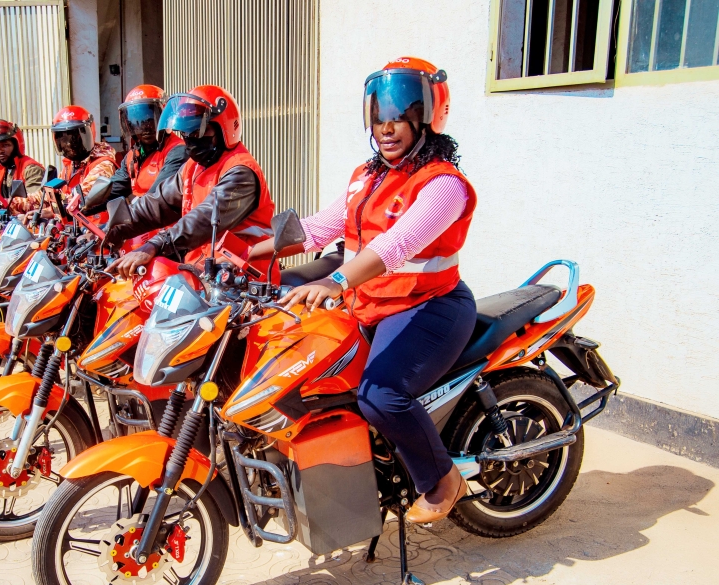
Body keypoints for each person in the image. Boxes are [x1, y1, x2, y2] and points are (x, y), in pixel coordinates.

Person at [257, 57, 477, 524]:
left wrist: (334, 281)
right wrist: (244, 252)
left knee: (380, 393)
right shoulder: (367, 175)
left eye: (400, 115)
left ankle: (442, 478)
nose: (386, 127)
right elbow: (318, 228)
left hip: (429, 307)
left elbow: (398, 245)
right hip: (371, 303)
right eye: (378, 116)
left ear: (429, 115)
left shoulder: (443, 185)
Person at [104, 85, 274, 277]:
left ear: (224, 128)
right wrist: (111, 229)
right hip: (205, 276)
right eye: (186, 133)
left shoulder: (240, 172)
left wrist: (156, 244)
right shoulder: (193, 166)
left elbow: (204, 220)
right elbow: (158, 203)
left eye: (198, 132)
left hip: (247, 283)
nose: (190, 140)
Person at [81, 86, 187, 215]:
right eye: (138, 122)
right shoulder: (132, 156)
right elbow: (114, 189)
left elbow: (156, 197)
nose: (145, 128)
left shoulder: (177, 152)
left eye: (150, 120)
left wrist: (124, 219)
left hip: (165, 225)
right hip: (140, 223)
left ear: (165, 117)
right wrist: (83, 206)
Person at [52, 105, 118, 204]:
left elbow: (82, 197)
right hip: (74, 218)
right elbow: (50, 194)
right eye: (64, 140)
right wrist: (23, 201)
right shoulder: (70, 165)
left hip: (98, 219)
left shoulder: (103, 164)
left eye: (76, 139)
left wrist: (52, 210)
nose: (69, 144)